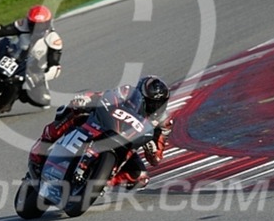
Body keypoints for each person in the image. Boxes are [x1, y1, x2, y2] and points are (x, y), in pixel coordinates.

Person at [28, 75, 173, 190]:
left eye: (159, 104)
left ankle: (103, 183)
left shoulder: (163, 122)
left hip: (126, 145)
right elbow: (103, 95)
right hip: (103, 125)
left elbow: (156, 159)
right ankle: (42, 146)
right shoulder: (126, 92)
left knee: (141, 177)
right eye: (151, 102)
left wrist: (152, 150)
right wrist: (86, 99)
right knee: (74, 110)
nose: (154, 107)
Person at [0, 4, 63, 110]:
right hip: (15, 56)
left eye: (41, 25)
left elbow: (55, 67)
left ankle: (12, 98)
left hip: (34, 70)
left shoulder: (53, 39)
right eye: (34, 24)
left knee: (43, 101)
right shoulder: (23, 25)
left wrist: (42, 76)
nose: (37, 28)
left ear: (48, 23)